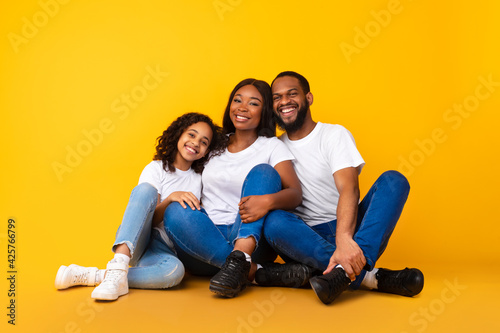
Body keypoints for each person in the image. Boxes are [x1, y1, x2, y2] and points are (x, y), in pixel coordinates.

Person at [256, 71, 424, 304]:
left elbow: (349, 189)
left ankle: (344, 271)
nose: (284, 101)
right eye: (277, 97)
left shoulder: (333, 135)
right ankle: (370, 278)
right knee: (274, 222)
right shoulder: (272, 147)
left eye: (292, 94)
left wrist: (344, 238)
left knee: (394, 181)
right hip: (303, 238)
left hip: (351, 229)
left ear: (309, 98)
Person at [55, 112, 225, 301]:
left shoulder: (200, 178)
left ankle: (95, 275)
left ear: (207, 150)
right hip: (142, 238)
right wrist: (169, 200)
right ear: (179, 134)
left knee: (175, 273)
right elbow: (148, 220)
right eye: (191, 135)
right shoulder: (156, 168)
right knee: (145, 190)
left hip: (170, 249)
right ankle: (119, 263)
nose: (195, 143)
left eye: (204, 142)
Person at [163, 78, 304, 298]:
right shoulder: (213, 144)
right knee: (174, 210)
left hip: (250, 236)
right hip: (205, 243)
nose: (242, 107)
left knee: (263, 172)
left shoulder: (272, 146)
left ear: (264, 110)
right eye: (237, 100)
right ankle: (254, 272)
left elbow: (295, 194)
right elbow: (183, 167)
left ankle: (241, 259)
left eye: (253, 103)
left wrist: (267, 201)